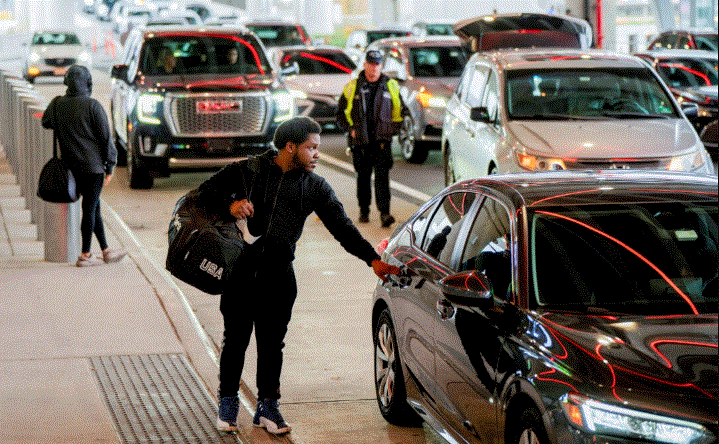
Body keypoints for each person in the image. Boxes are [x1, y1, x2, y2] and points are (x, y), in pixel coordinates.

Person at [196, 116, 401, 435]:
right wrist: (231, 204)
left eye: (318, 148)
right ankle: (228, 401)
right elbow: (204, 194)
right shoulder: (248, 170)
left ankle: (267, 406)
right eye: (312, 147)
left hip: (279, 277)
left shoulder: (315, 186)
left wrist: (372, 259)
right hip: (239, 274)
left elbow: (342, 227)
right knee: (235, 340)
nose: (317, 154)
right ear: (290, 147)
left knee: (271, 343)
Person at [41, 65, 127, 267]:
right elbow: (106, 139)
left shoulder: (57, 104)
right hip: (94, 168)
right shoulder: (92, 106)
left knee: (93, 208)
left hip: (71, 168)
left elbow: (46, 122)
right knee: (89, 208)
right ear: (87, 82)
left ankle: (106, 251)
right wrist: (110, 167)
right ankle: (85, 254)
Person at [336, 49, 408, 227]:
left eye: (378, 64)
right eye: (371, 64)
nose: (374, 68)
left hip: (382, 142)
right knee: (363, 178)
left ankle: (385, 213)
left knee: (382, 178)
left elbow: (401, 112)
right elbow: (340, 115)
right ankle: (364, 210)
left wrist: (392, 130)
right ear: (365, 64)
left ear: (381, 66)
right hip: (360, 142)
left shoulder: (390, 85)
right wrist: (350, 129)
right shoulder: (353, 87)